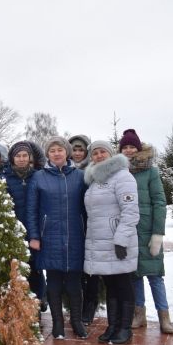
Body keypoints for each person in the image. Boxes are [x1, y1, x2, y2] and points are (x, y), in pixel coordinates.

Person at [27, 136, 87, 340]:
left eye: (60, 149)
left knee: (74, 283)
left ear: (67, 152)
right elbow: (31, 209)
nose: (57, 153)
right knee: (53, 282)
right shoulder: (39, 177)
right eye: (52, 150)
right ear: (48, 154)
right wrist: (34, 235)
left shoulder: (80, 176)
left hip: (76, 235)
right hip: (49, 236)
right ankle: (58, 324)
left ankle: (77, 321)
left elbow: (88, 208)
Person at [119, 129, 173, 334]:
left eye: (132, 146)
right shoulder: (119, 172)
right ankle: (139, 315)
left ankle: (164, 317)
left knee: (155, 276)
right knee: (134, 276)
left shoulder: (151, 172)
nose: (129, 150)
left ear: (139, 148)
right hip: (129, 232)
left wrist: (157, 233)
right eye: (125, 147)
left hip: (149, 231)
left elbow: (160, 202)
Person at [83, 140, 140, 345]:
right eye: (95, 153)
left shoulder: (123, 176)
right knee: (110, 284)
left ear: (111, 154)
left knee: (123, 284)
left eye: (102, 152)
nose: (99, 156)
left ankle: (125, 328)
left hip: (118, 241)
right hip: (100, 241)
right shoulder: (95, 180)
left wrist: (121, 240)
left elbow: (131, 212)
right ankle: (113, 325)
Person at [2, 141, 47, 313]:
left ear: (30, 158)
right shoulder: (4, 177)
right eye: (18, 156)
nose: (21, 159)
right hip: (13, 232)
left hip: (34, 230)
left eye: (24, 156)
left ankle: (38, 303)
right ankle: (19, 307)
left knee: (35, 269)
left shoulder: (38, 176)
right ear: (12, 158)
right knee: (17, 271)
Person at [67, 134, 97, 324]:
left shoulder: (94, 170)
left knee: (91, 271)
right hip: (71, 225)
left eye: (80, 150)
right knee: (74, 271)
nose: (77, 153)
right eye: (74, 150)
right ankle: (74, 307)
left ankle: (89, 308)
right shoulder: (64, 169)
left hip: (91, 224)